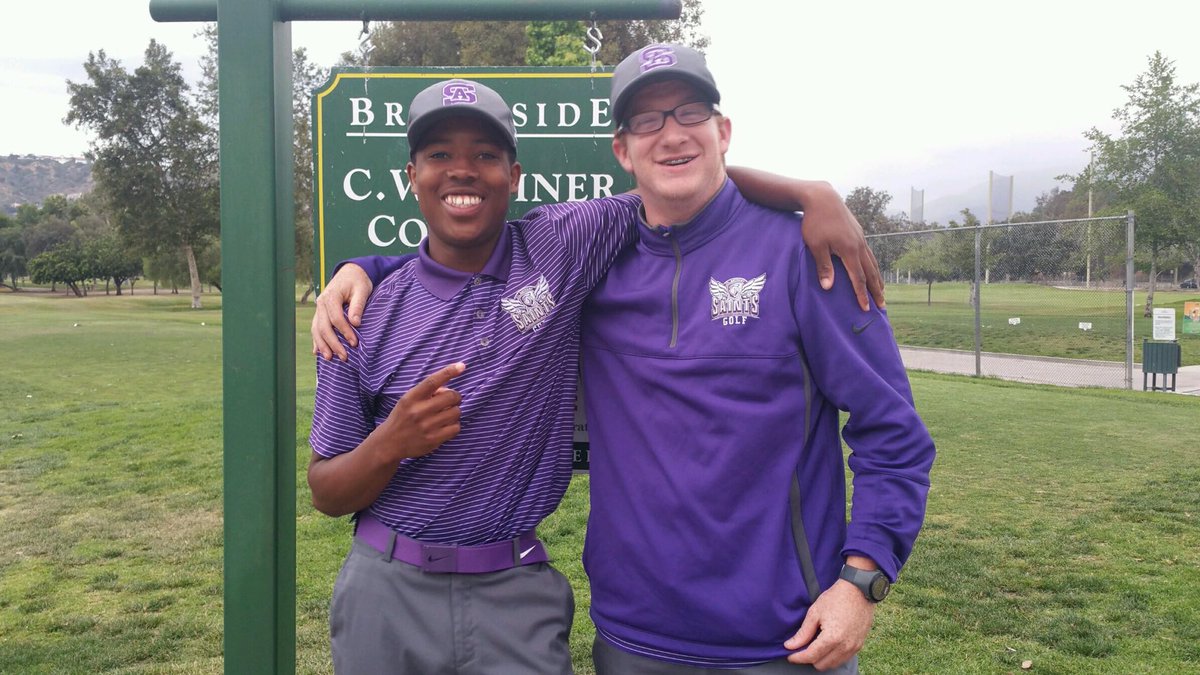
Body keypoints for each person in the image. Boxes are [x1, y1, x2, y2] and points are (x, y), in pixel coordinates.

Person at [307, 76, 880, 675]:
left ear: (515, 175)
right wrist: (389, 445)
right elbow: (325, 491)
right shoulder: (360, 314)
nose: (462, 171)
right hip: (386, 585)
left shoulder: (562, 244)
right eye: (439, 156)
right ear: (411, 176)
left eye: (485, 155)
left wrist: (811, 194)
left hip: (514, 590)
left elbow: (677, 182)